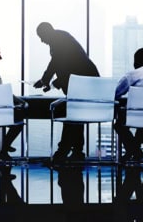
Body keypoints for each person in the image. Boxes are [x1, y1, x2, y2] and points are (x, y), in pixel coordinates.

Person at [33, 22, 100, 161]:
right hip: (84, 80)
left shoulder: (58, 40)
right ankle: (76, 151)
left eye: (41, 36)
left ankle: (63, 151)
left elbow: (56, 63)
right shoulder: (61, 38)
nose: (41, 40)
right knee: (76, 115)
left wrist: (45, 80)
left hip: (82, 81)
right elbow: (67, 65)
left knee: (72, 115)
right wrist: (50, 83)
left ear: (47, 32)